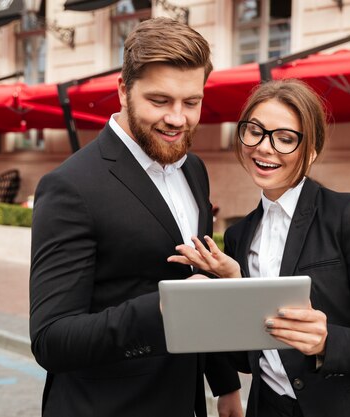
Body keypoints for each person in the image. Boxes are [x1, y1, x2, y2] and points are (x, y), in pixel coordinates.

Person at [29, 17, 242, 417]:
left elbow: (195, 282)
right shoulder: (69, 187)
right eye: (159, 101)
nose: (177, 118)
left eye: (191, 103)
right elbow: (51, 339)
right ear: (123, 90)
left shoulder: (194, 170)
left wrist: (225, 381)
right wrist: (163, 307)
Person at [168, 79, 350, 417]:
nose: (264, 148)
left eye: (285, 139)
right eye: (255, 131)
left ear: (311, 151)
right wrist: (232, 289)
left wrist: (327, 342)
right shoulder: (239, 235)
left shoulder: (349, 215)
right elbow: (248, 360)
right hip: (268, 408)